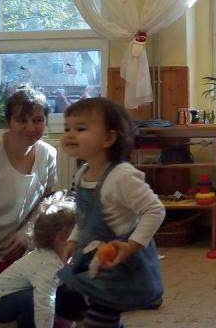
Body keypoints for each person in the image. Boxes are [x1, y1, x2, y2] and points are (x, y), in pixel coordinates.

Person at [57, 97, 165, 328]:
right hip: (93, 256)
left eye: (80, 129)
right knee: (67, 301)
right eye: (67, 128)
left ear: (108, 138)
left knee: (99, 319)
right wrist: (74, 239)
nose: (70, 135)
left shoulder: (121, 176)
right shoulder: (83, 172)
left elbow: (154, 210)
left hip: (121, 264)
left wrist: (131, 246)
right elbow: (85, 215)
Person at [0, 88, 57, 290]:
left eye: (38, 120)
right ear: (9, 122)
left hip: (13, 250)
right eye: (22, 120)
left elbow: (48, 199)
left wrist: (27, 232)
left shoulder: (48, 154)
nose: (30, 127)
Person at [0, 193, 76, 328]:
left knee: (62, 286)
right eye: (77, 235)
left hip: (16, 296)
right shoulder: (48, 264)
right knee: (35, 300)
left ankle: (52, 318)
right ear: (61, 238)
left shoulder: (57, 256)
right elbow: (44, 302)